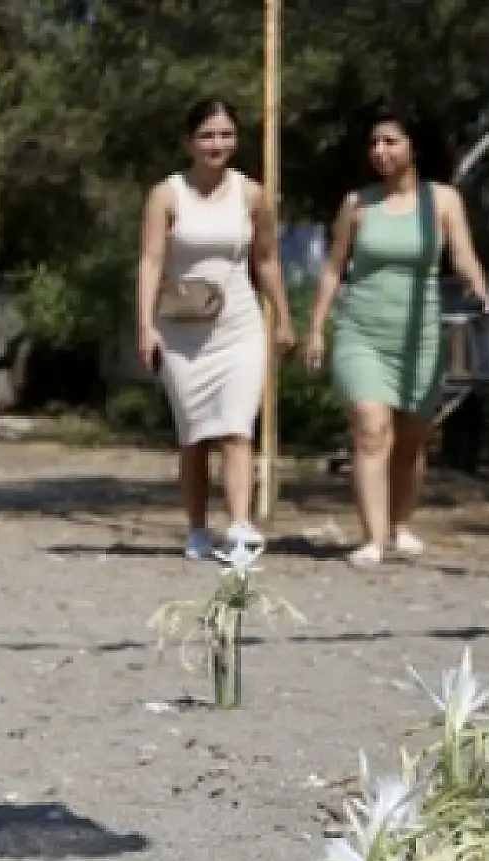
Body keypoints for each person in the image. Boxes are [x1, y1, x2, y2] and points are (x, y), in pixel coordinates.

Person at [304, 106, 489, 568]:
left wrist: (479, 288)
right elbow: (333, 269)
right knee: (371, 430)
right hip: (361, 331)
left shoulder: (442, 201)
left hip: (419, 335)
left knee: (410, 440)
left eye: (390, 142)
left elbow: (463, 256)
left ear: (414, 148)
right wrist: (316, 328)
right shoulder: (357, 204)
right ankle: (371, 539)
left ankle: (400, 524)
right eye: (374, 143)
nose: (380, 152)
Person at [137, 98, 295, 561]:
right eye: (206, 135)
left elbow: (265, 260)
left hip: (238, 325)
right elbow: (150, 261)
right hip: (181, 330)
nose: (216, 144)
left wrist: (283, 316)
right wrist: (145, 325)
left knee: (237, 427)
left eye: (225, 135)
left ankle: (241, 525)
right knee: (194, 436)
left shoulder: (251, 195)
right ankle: (197, 527)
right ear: (189, 142)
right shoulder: (167, 195)